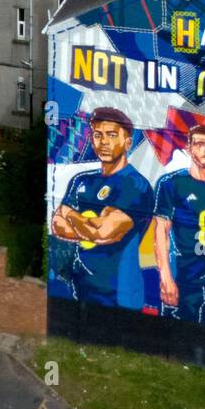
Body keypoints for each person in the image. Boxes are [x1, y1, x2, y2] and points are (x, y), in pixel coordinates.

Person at [50, 107, 153, 309]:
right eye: (98, 135)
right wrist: (91, 228)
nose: (104, 142)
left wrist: (70, 213)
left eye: (112, 135)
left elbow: (102, 232)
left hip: (119, 294)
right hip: (81, 286)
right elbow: (57, 225)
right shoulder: (81, 180)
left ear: (128, 142)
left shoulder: (135, 185)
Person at [152, 123, 205, 325]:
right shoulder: (171, 184)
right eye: (200, 144)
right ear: (189, 150)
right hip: (183, 281)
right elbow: (160, 233)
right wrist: (166, 278)